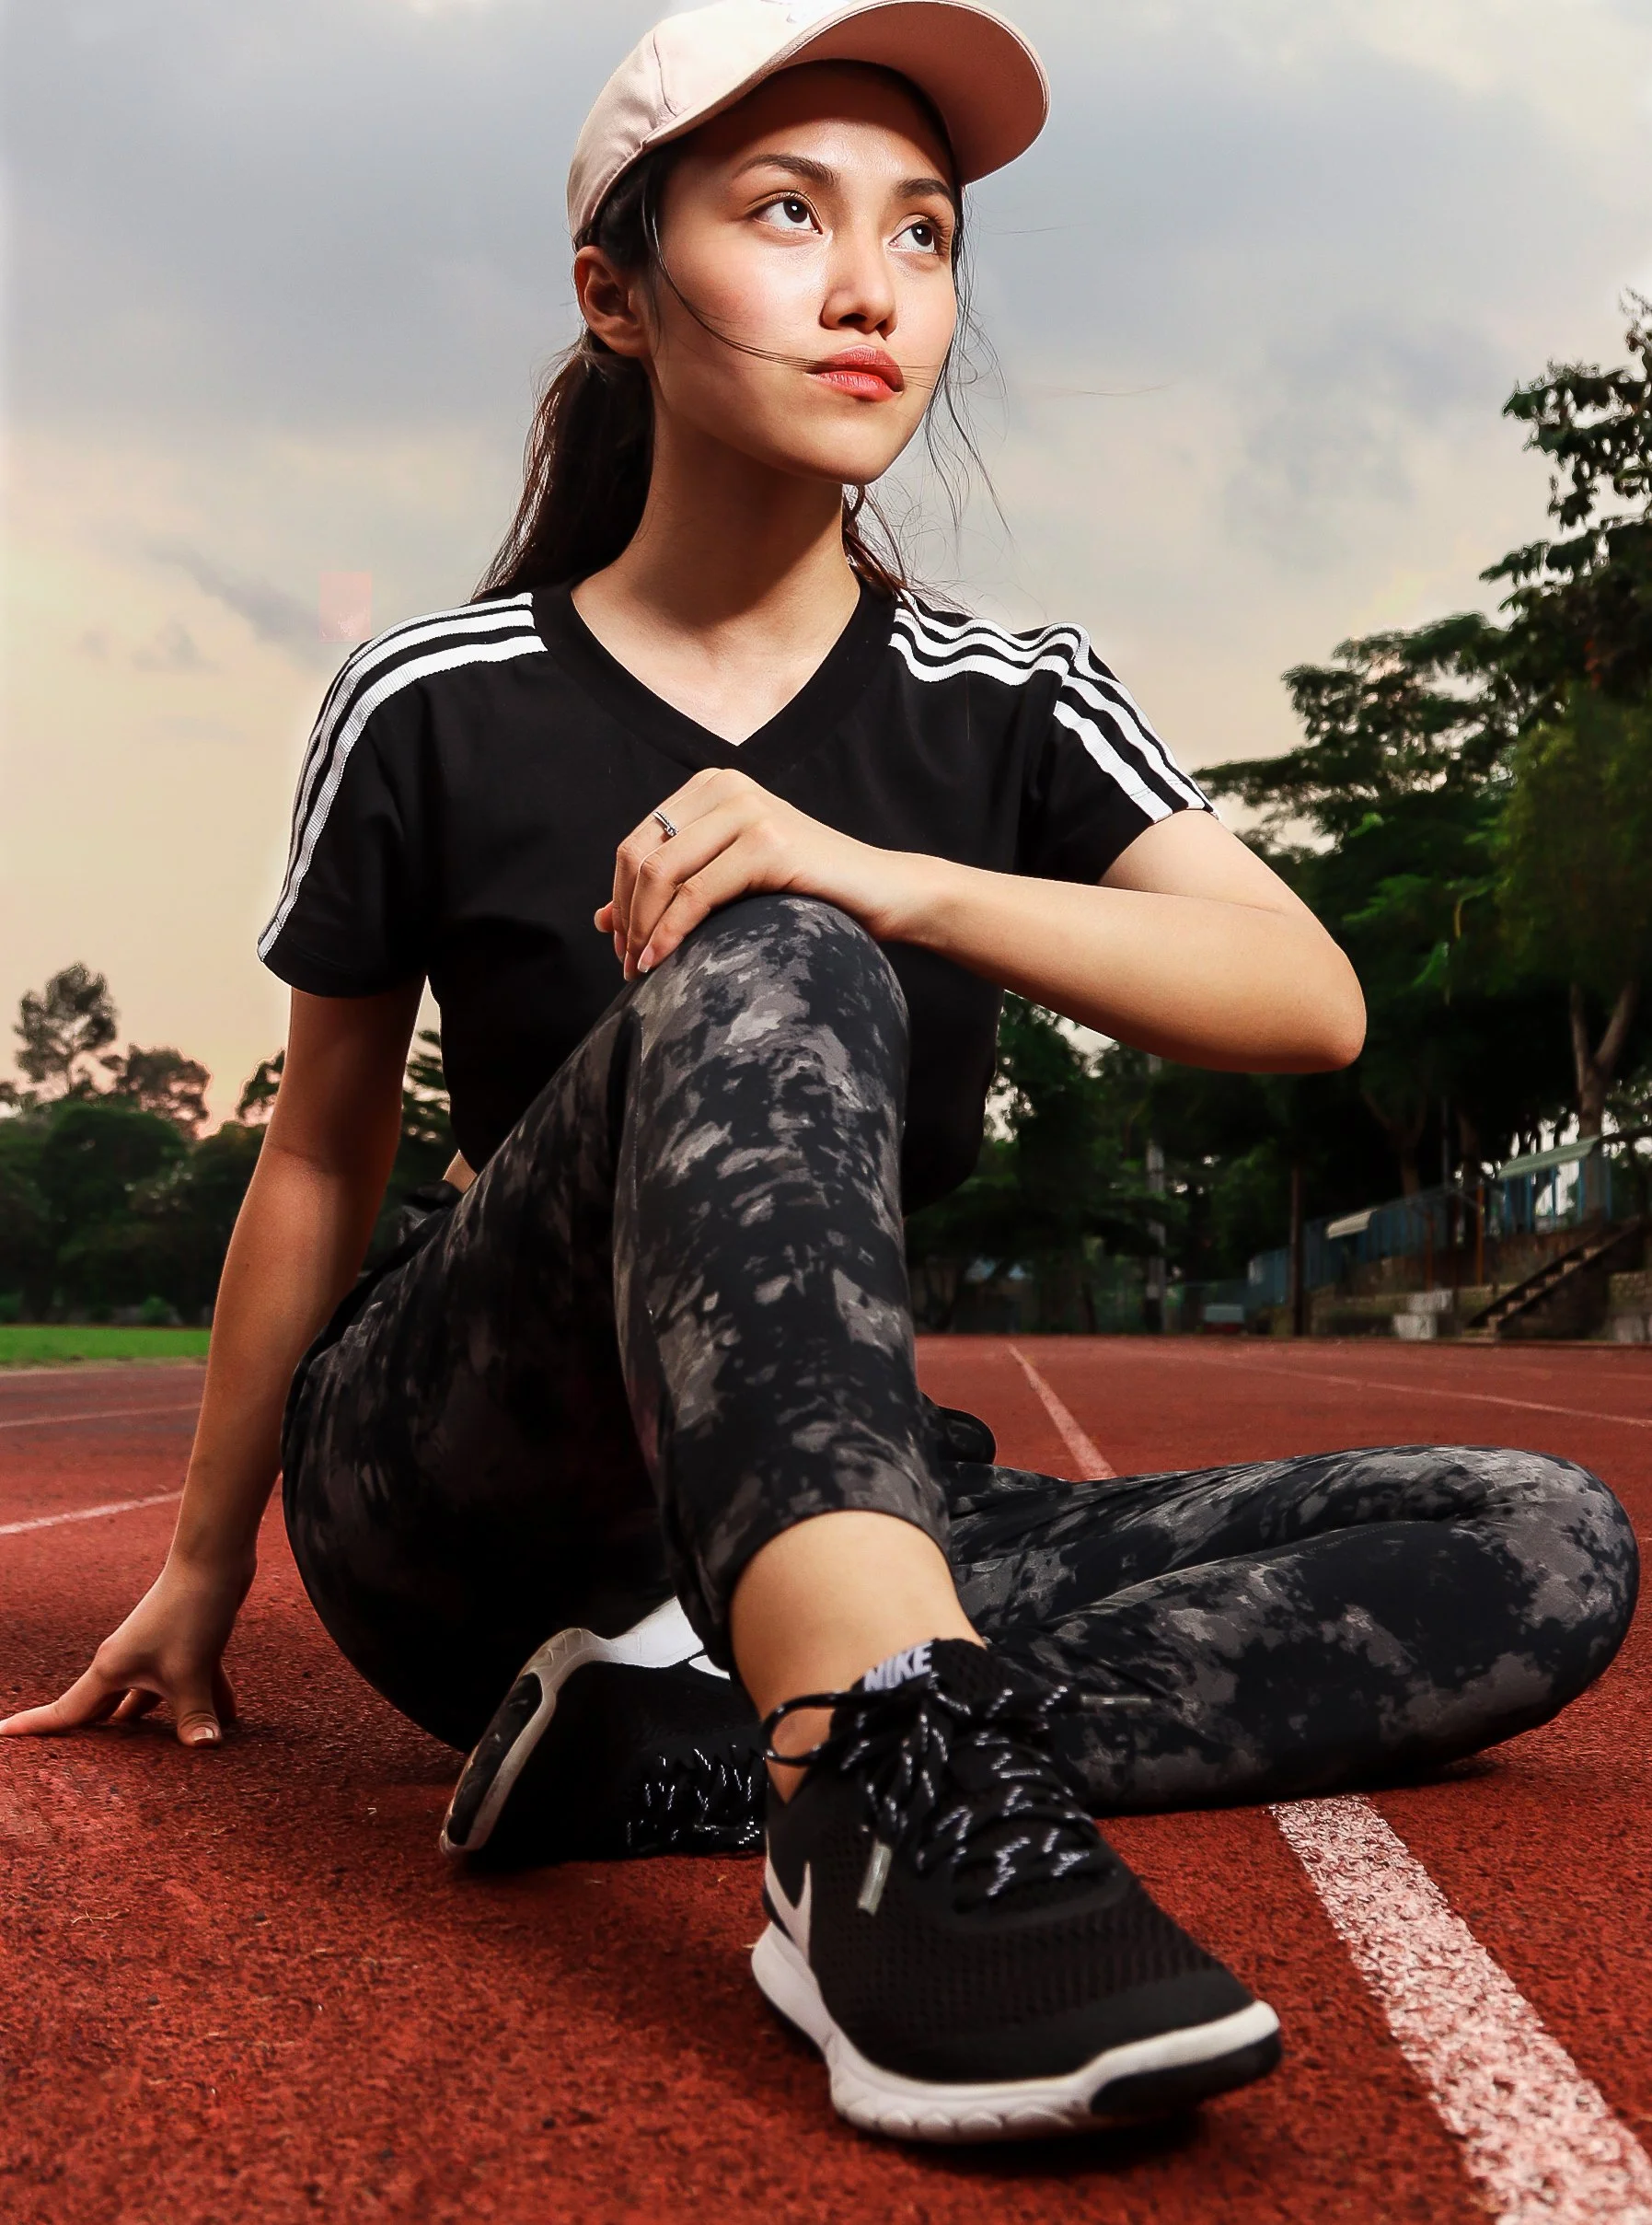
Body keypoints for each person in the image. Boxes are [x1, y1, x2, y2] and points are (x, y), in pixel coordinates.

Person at [5, 0, 1636, 2150]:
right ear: (617, 292)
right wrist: (207, 1564)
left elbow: (1306, 994)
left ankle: (697, 1745)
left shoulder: (1005, 699)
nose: (876, 286)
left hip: (860, 1493)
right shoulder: (433, 696)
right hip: (482, 1499)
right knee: (767, 938)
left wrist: (903, 874)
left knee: (1544, 1542)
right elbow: (316, 1151)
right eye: (790, 215)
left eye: (927, 233)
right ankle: (877, 1812)